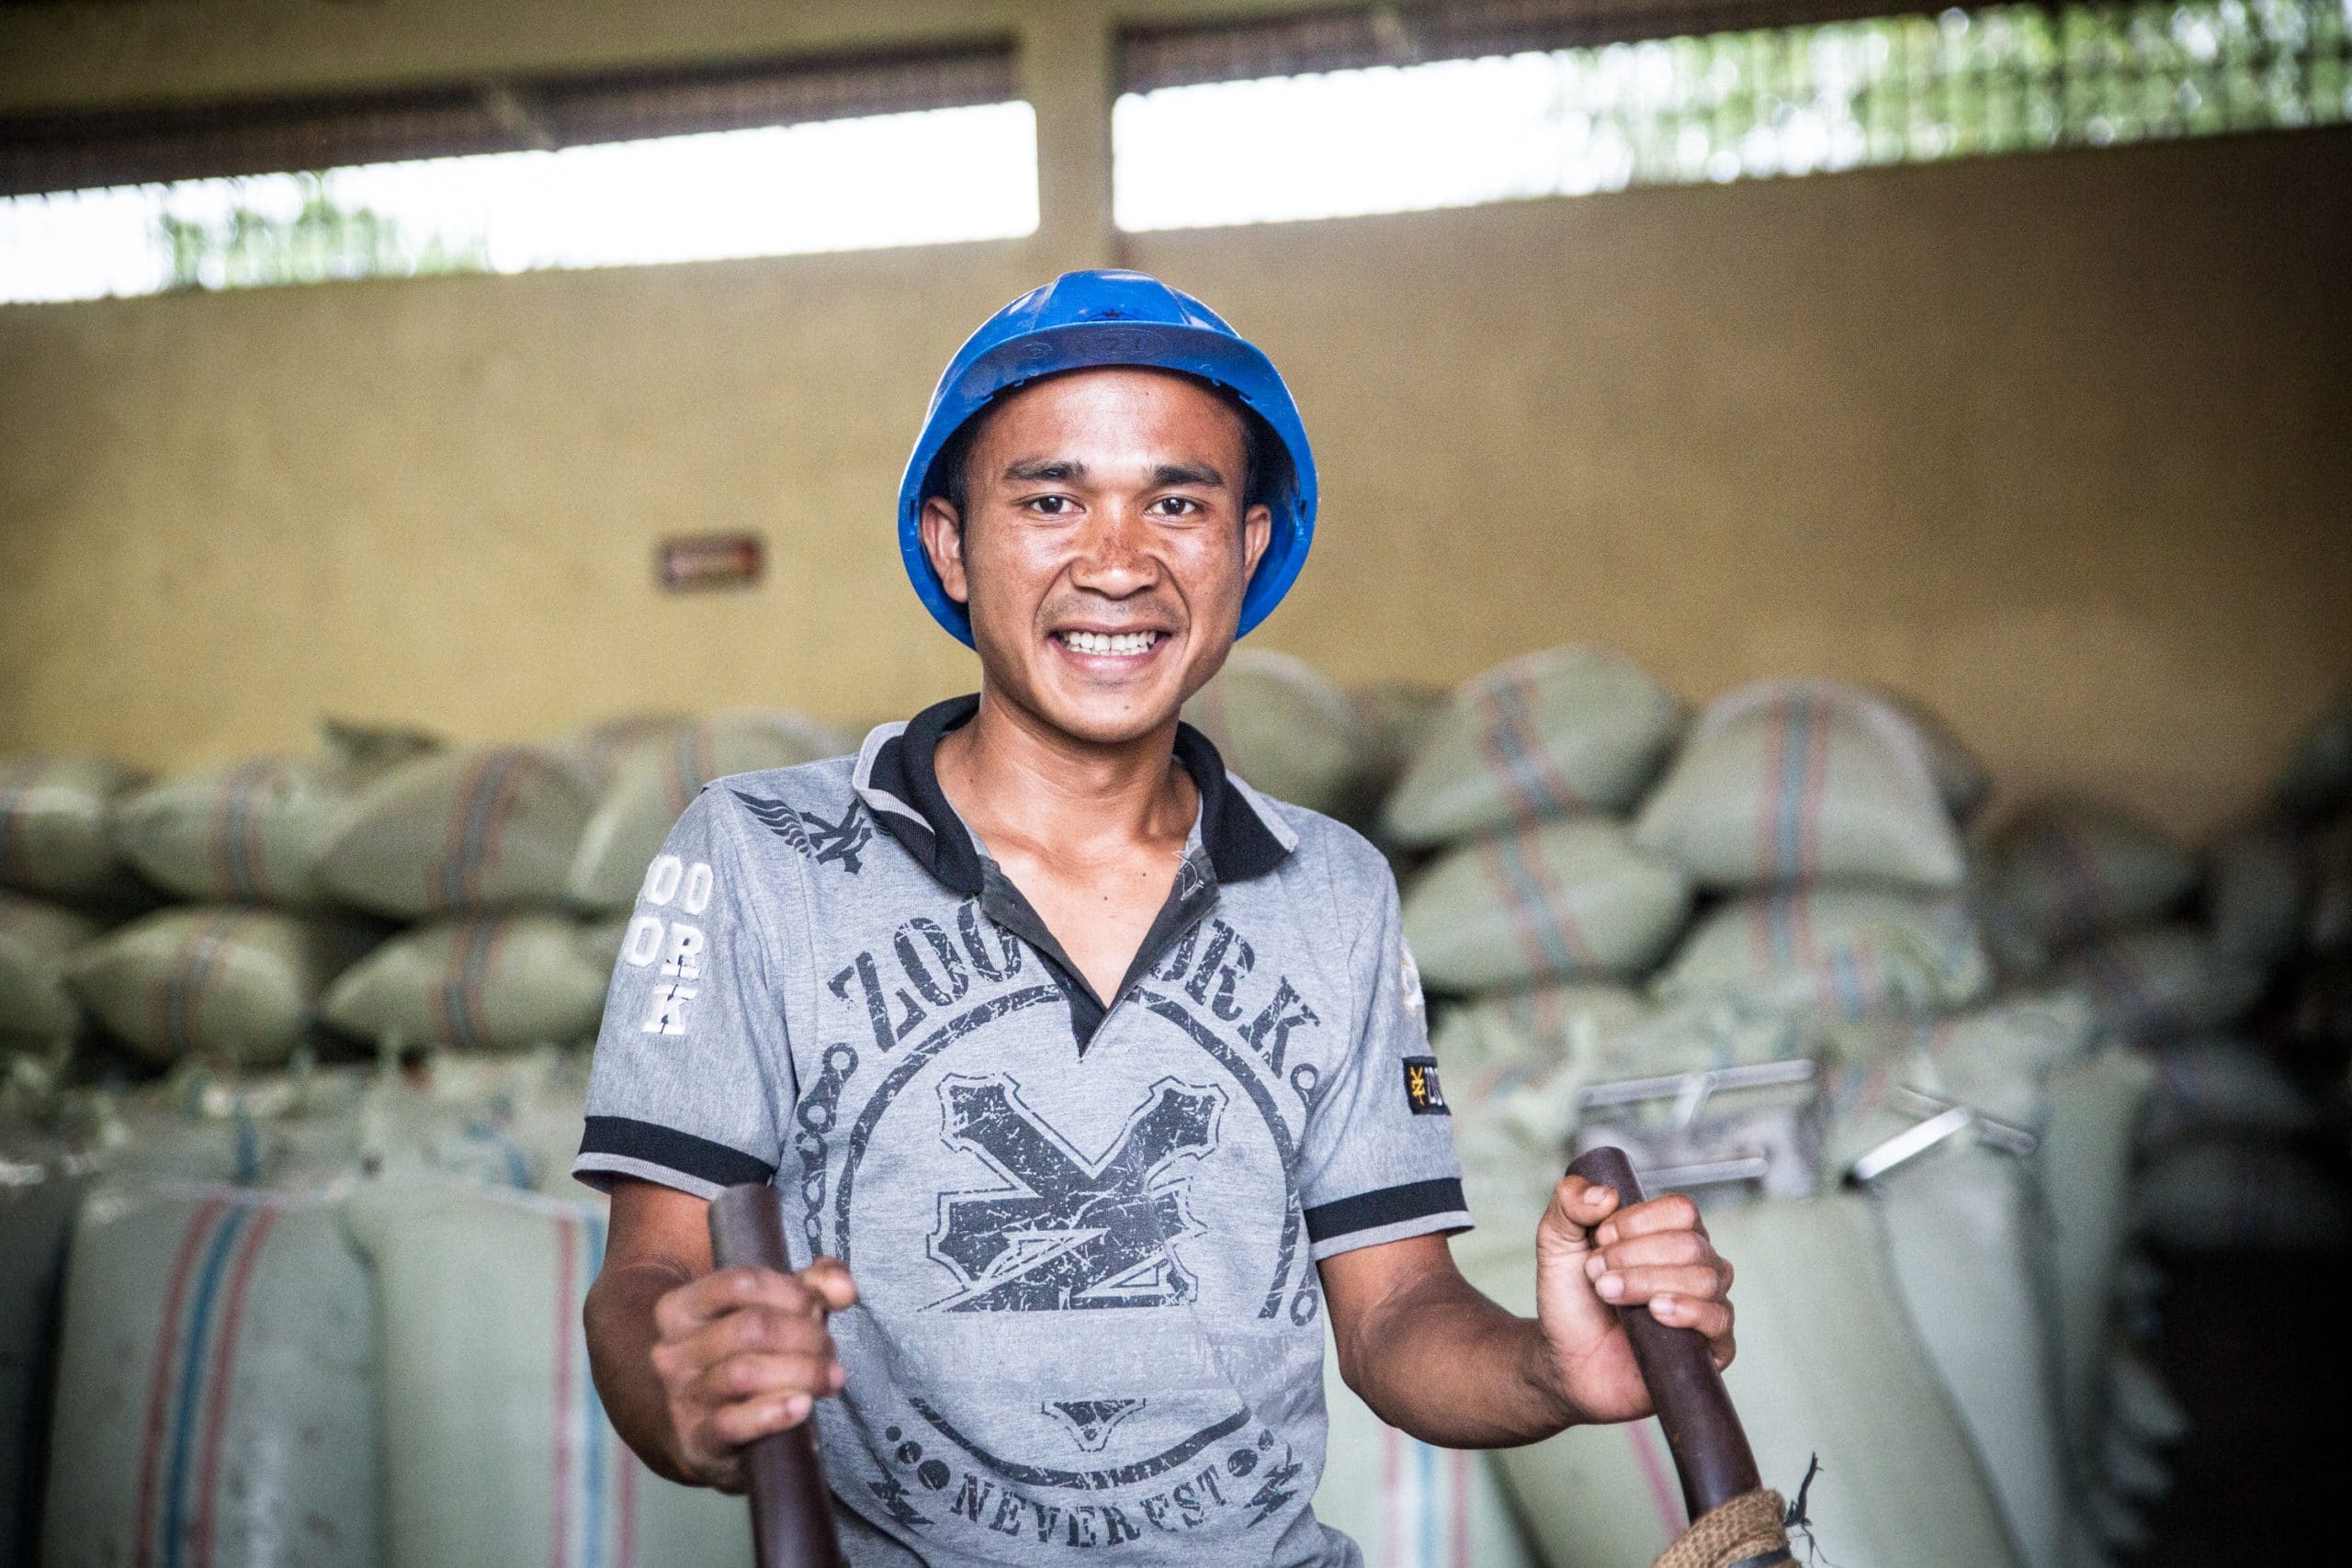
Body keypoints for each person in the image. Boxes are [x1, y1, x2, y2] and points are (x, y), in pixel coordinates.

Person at [576, 270, 1737, 1564]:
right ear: (953, 544)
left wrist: (1552, 1370)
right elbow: (650, 1276)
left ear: (1246, 549)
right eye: (1052, 500)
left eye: (1177, 503)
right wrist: (683, 1398)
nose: (1118, 563)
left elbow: (1396, 1313)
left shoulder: (1330, 889)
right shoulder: (763, 860)